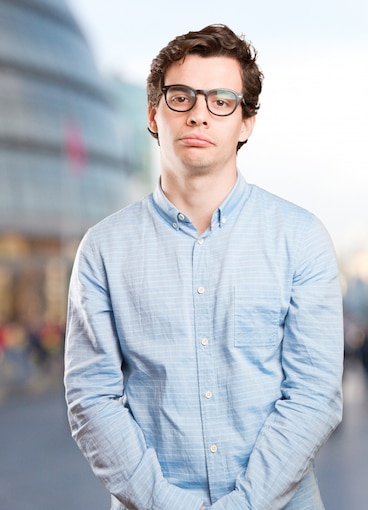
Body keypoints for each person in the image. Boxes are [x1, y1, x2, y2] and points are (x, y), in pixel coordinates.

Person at [64, 24, 344, 510]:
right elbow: (92, 399)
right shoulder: (102, 249)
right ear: (153, 115)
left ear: (246, 122)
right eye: (181, 97)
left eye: (221, 100)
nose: (198, 115)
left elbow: (314, 396)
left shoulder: (300, 238)